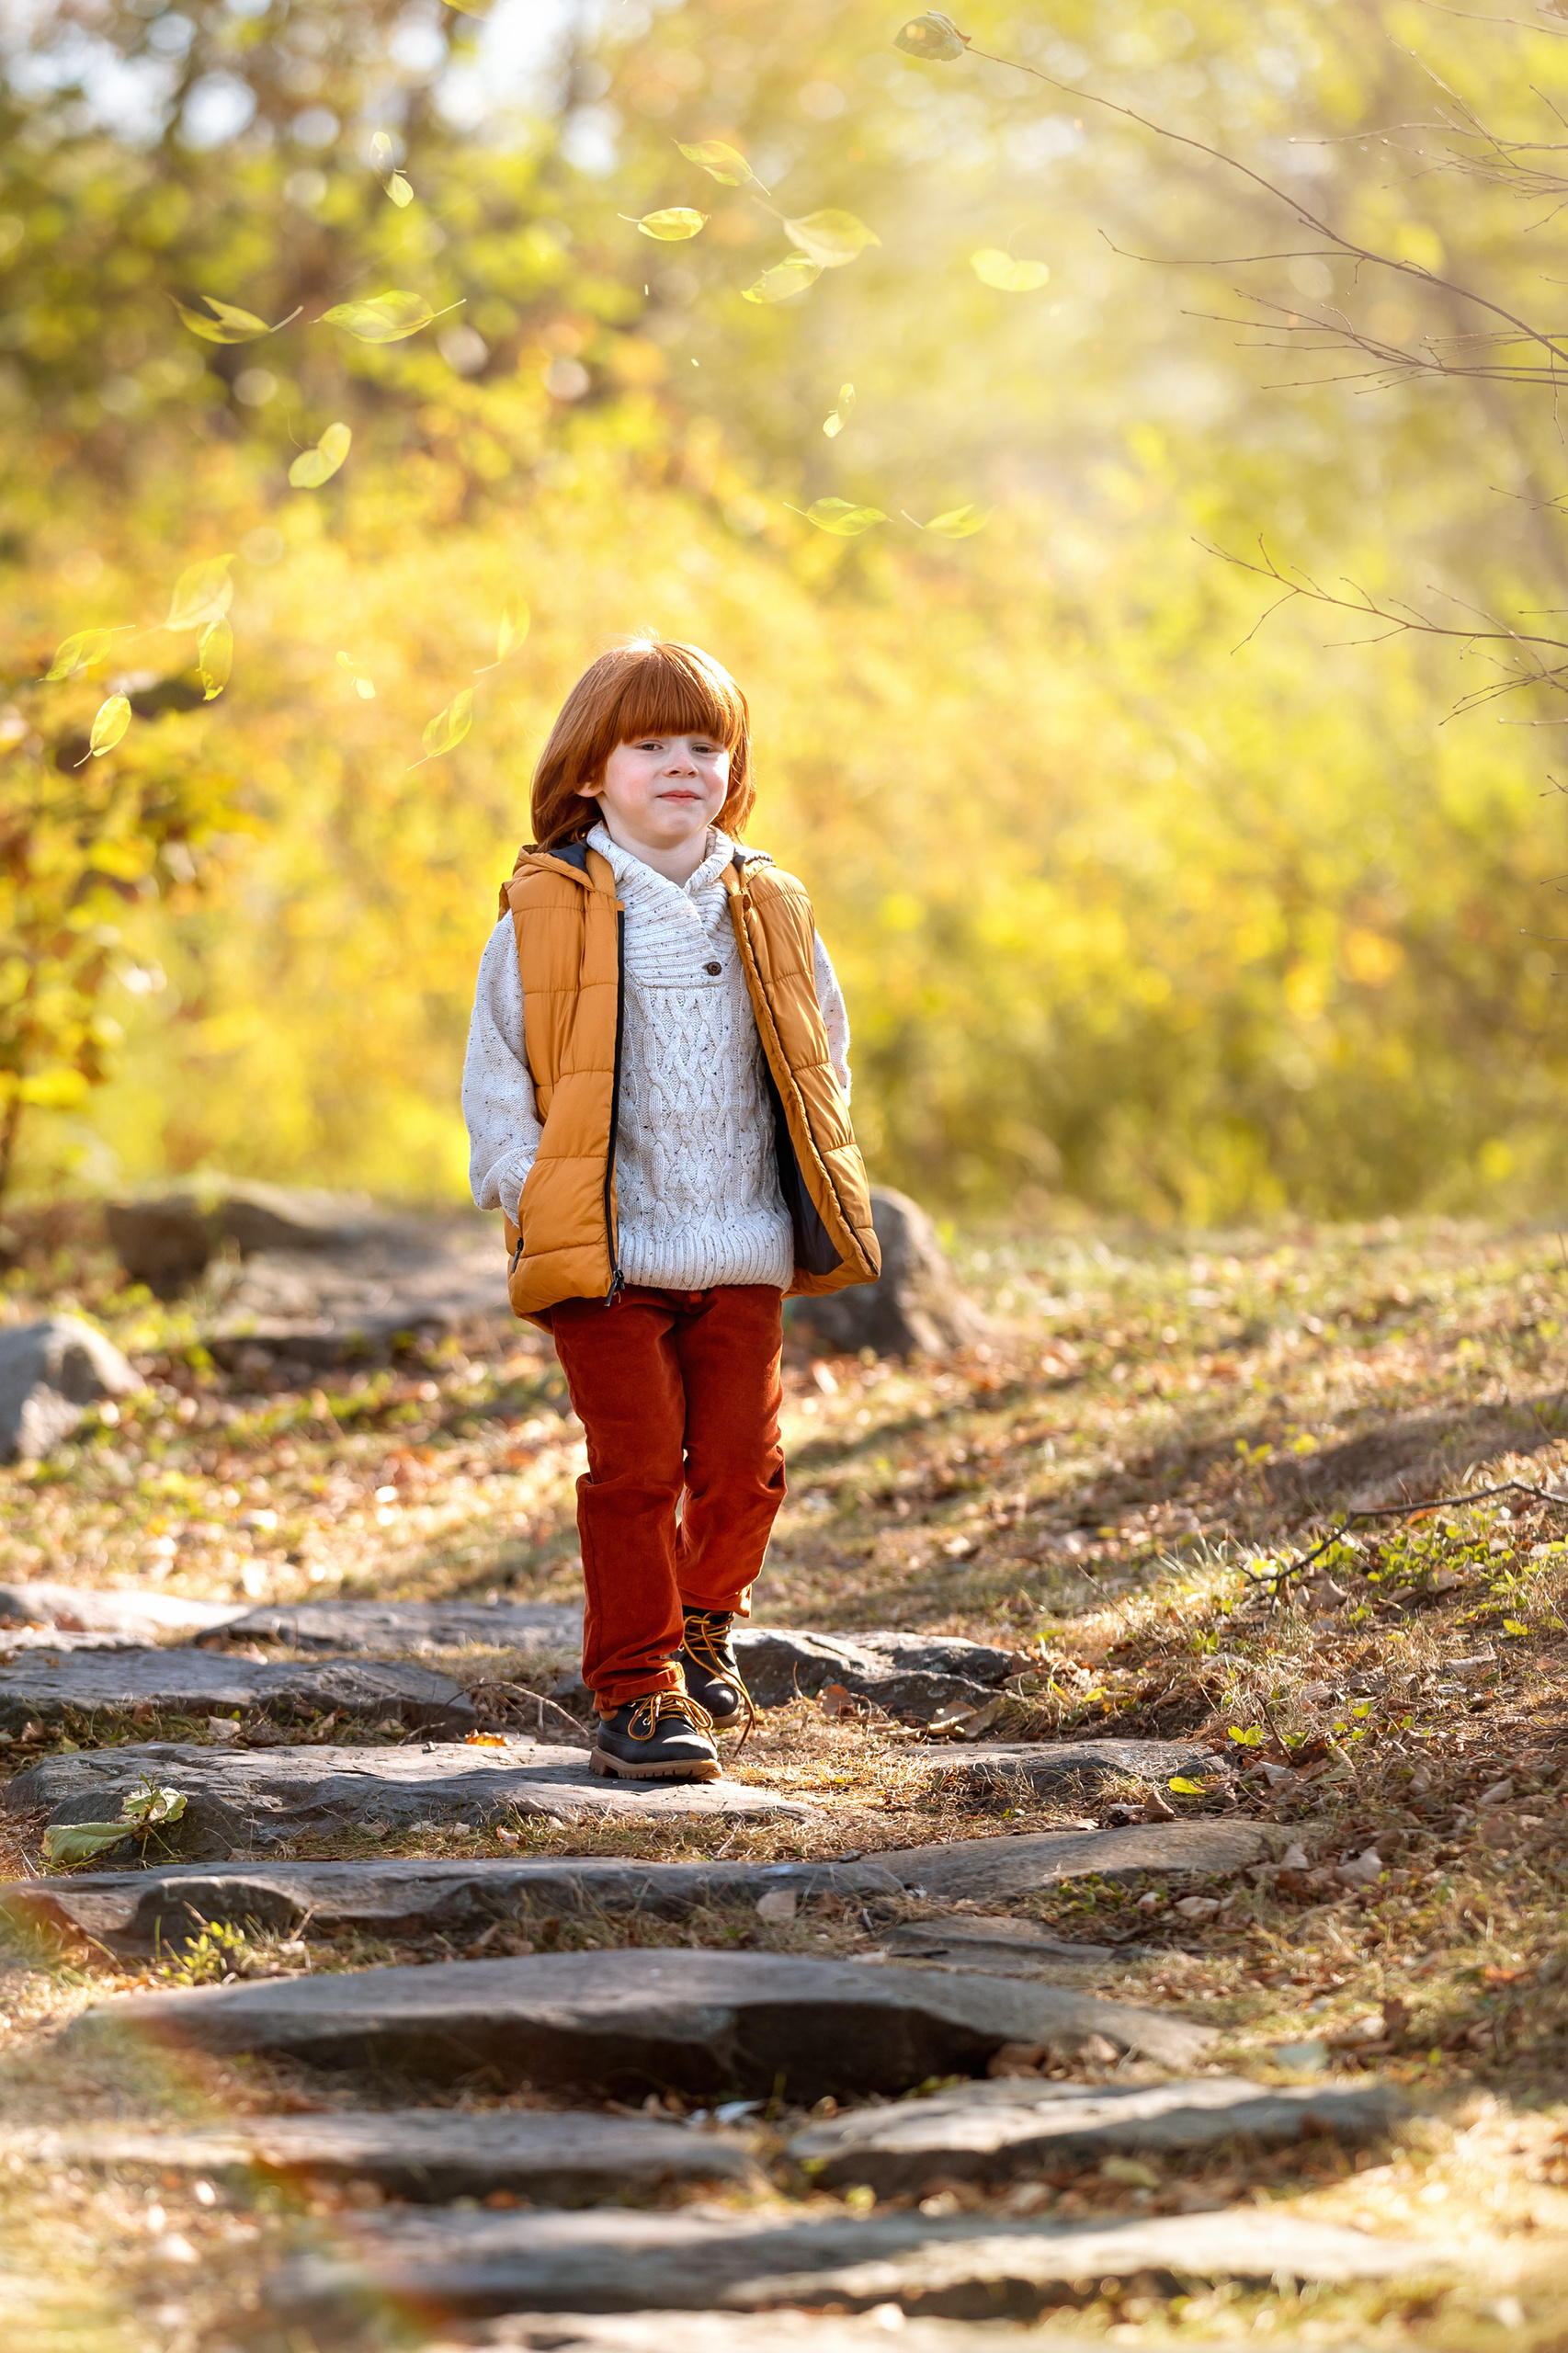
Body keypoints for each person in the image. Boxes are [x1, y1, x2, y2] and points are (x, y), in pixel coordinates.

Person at [462, 637, 881, 1783]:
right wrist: (525, 1184)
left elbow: (820, 1051)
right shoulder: (542, 913)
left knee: (742, 1468)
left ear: (731, 769)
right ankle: (636, 1690)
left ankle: (702, 1619)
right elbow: (497, 1072)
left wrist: (817, 1164)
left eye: (704, 743)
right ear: (590, 771)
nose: (682, 764)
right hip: (606, 1251)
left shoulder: (769, 904)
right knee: (636, 1470)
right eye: (648, 744)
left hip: (739, 1240)